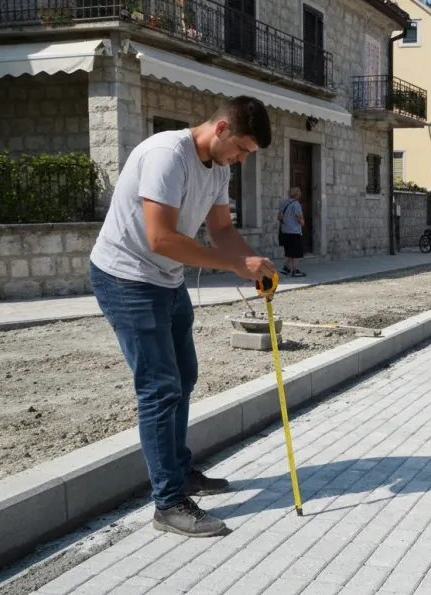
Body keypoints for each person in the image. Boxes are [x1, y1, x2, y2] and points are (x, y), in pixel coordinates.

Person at [88, 96, 274, 537]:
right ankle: (168, 503)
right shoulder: (166, 156)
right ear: (222, 128)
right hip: (126, 278)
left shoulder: (220, 169)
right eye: (243, 149)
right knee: (159, 387)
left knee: (184, 376)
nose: (242, 160)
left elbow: (223, 230)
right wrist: (232, 266)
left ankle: (180, 470)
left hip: (166, 282)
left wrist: (255, 265)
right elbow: (161, 238)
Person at [276, 187, 306, 277]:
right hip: (294, 231)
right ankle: (295, 270)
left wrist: (286, 222)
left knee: (289, 251)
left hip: (285, 231)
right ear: (298, 195)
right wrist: (302, 223)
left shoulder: (284, 203)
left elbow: (279, 217)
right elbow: (299, 216)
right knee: (296, 253)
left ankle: (287, 268)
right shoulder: (296, 204)